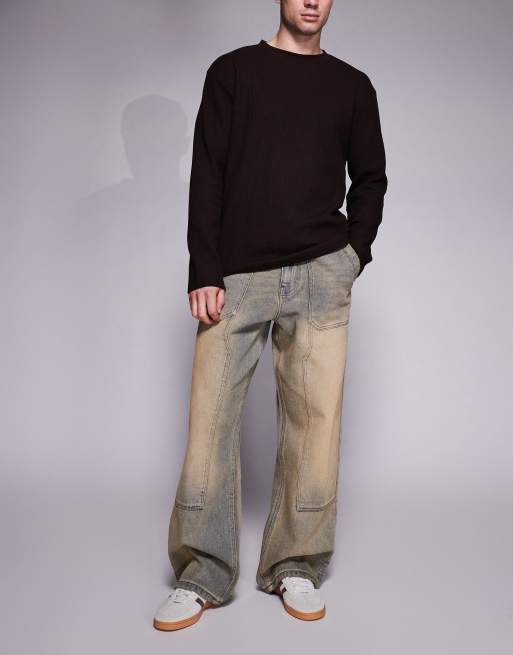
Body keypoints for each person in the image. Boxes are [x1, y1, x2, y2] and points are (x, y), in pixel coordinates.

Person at [154, 0, 387, 631]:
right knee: (210, 423)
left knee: (316, 425)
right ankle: (202, 571)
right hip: (237, 276)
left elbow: (370, 179)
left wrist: (354, 254)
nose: (312, 0)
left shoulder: (352, 86)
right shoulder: (232, 72)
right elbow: (208, 172)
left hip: (321, 274)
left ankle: (296, 563)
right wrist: (204, 267)